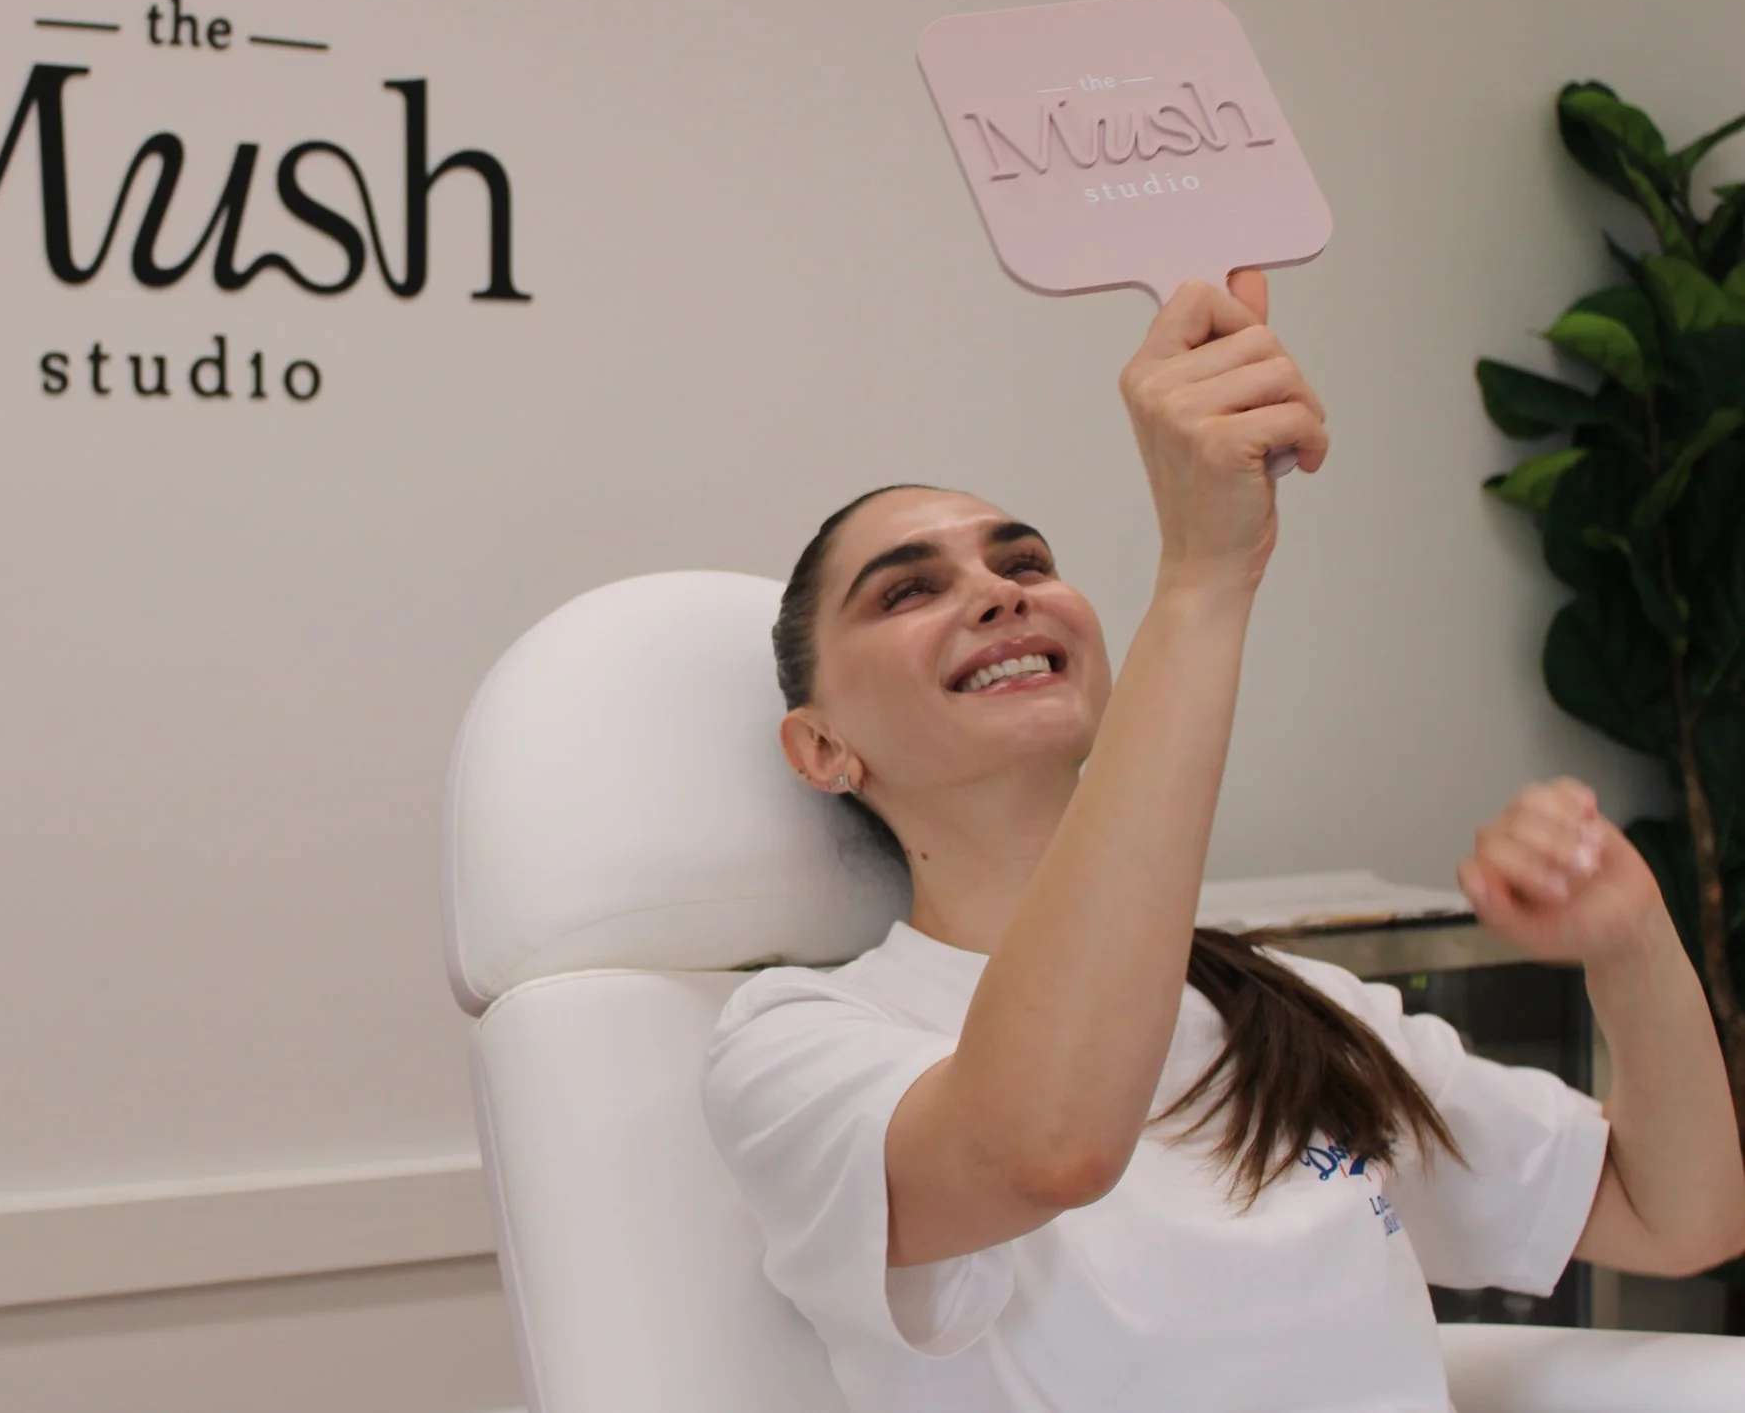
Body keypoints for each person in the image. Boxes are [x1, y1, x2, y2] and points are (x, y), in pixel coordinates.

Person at [700, 272, 1745, 1413]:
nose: (1000, 595)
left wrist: (1634, 943)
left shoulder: (1292, 1009)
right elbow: (1042, 1143)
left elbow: (1676, 1211)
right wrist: (1203, 577)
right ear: (820, 747)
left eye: (1026, 562)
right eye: (906, 590)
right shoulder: (801, 1044)